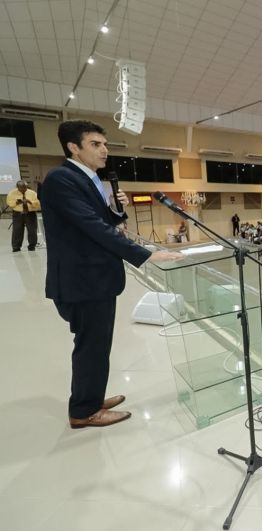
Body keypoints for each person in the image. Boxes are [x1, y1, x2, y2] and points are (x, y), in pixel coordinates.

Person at [40, 120, 182, 429]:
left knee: (98, 345)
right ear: (73, 147)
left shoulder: (89, 179)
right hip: (83, 281)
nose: (104, 150)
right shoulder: (60, 179)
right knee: (92, 346)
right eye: (95, 144)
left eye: (104, 144)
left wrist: (117, 211)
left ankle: (90, 398)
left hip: (95, 279)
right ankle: (83, 411)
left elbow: (103, 223)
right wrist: (145, 253)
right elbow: (91, 227)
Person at [7, 180, 40, 252]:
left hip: (30, 214)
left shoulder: (32, 193)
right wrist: (16, 202)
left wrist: (30, 202)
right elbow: (10, 203)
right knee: (17, 231)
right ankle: (16, 247)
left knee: (32, 230)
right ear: (17, 187)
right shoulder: (12, 193)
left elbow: (37, 204)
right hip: (18, 213)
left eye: (25, 187)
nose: (23, 189)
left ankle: (32, 246)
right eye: (21, 187)